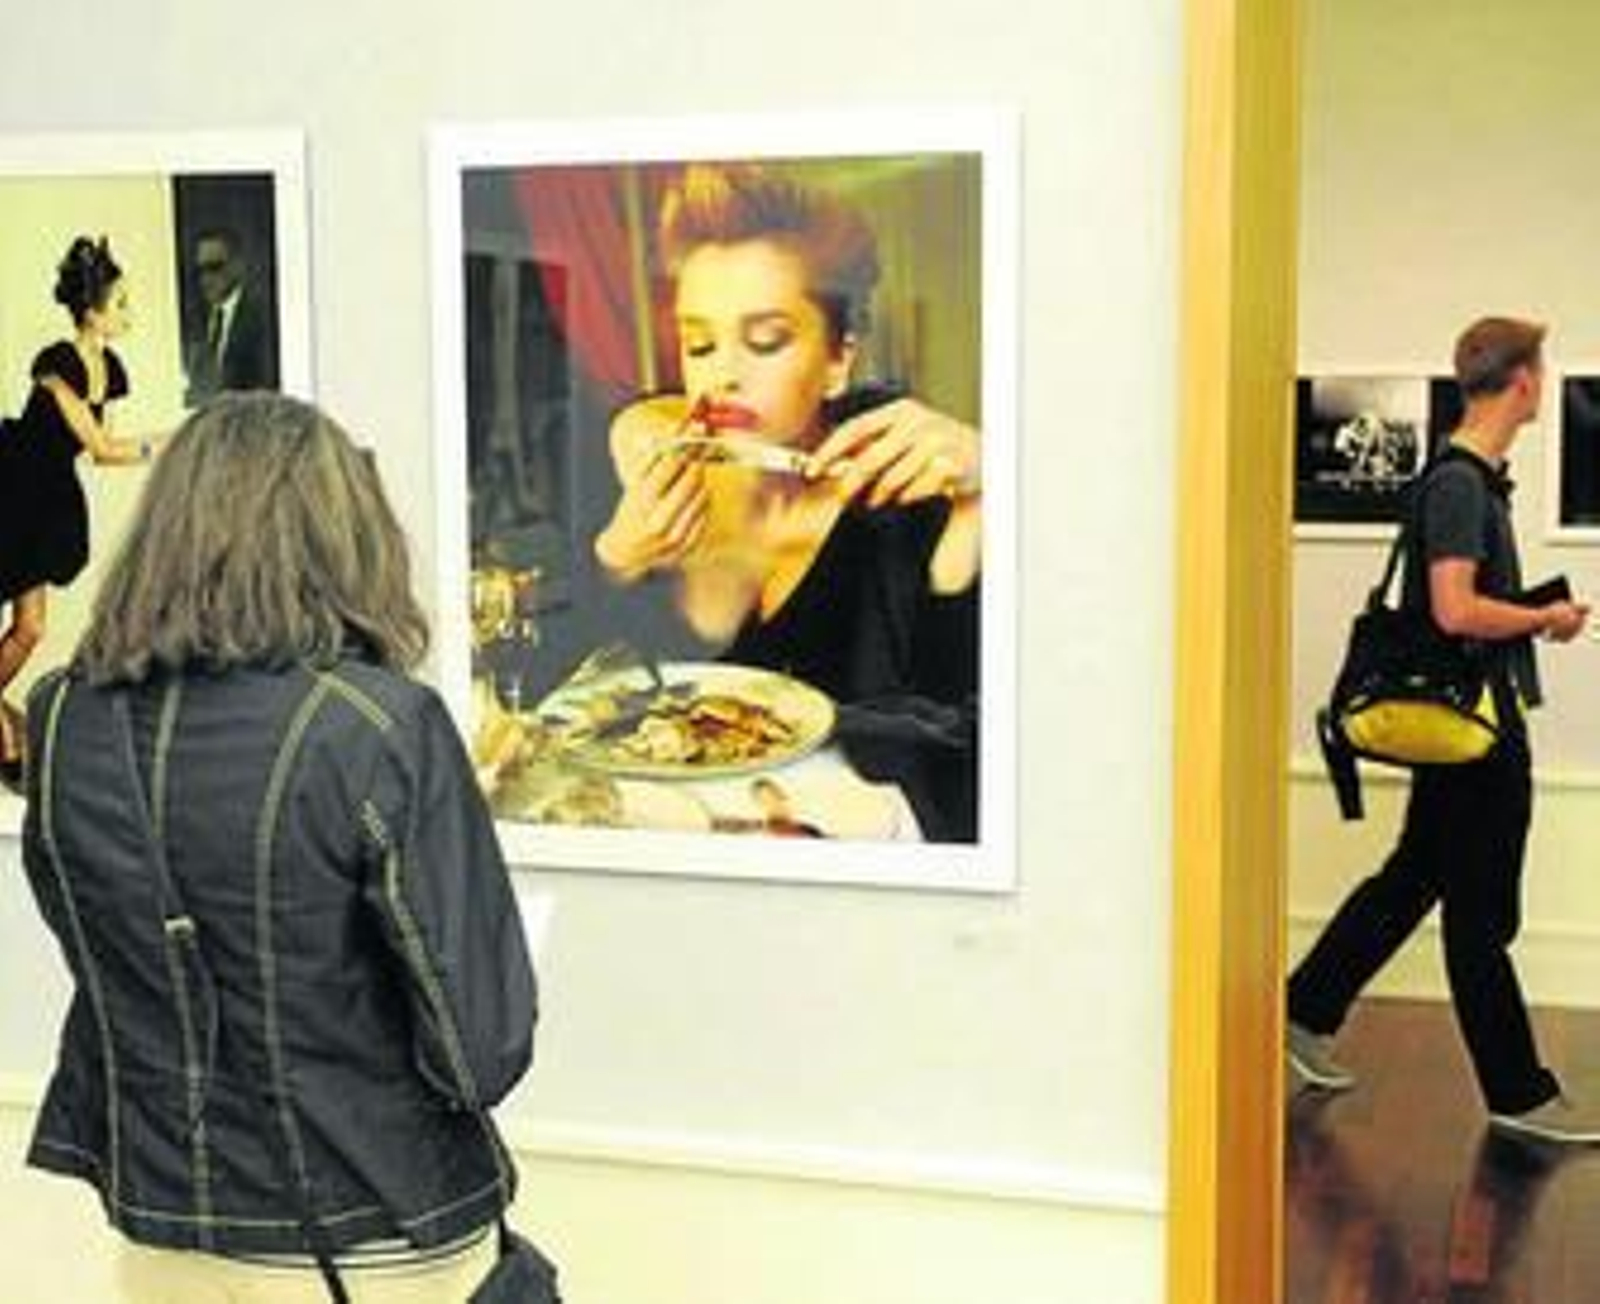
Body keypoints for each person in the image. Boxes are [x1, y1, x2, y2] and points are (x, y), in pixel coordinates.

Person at [18, 393, 540, 1300]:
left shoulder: (66, 717)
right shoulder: (376, 726)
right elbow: (479, 1052)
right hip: (375, 1236)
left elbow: (103, 952)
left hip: (166, 1233)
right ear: (345, 535)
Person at [594, 164, 982, 841]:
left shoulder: (905, 498)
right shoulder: (663, 479)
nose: (722, 376)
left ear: (839, 361)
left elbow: (969, 757)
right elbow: (567, 720)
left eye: (766, 340)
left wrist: (980, 509)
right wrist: (613, 561)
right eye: (699, 343)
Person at [1287, 317, 1599, 1143]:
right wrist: (1544, 616)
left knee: (1411, 879)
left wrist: (1534, 617)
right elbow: (1455, 608)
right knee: (1480, 915)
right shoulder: (1461, 484)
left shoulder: (1464, 479)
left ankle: (1301, 1008)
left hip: (1463, 726)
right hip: (1478, 734)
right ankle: (1518, 1092)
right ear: (1525, 383)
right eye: (1542, 367)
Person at [0, 235, 158, 785]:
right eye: (121, 303)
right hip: (12, 487)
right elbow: (100, 445)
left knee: (30, 628)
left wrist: (166, 443)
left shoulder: (108, 367)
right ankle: (4, 736)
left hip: (45, 498)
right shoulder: (56, 363)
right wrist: (175, 440)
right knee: (28, 626)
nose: (128, 313)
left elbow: (107, 454)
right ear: (91, 312)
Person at [183, 225, 278, 404]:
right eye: (200, 270)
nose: (205, 279)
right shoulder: (195, 319)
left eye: (214, 267)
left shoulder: (262, 320)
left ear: (238, 266)